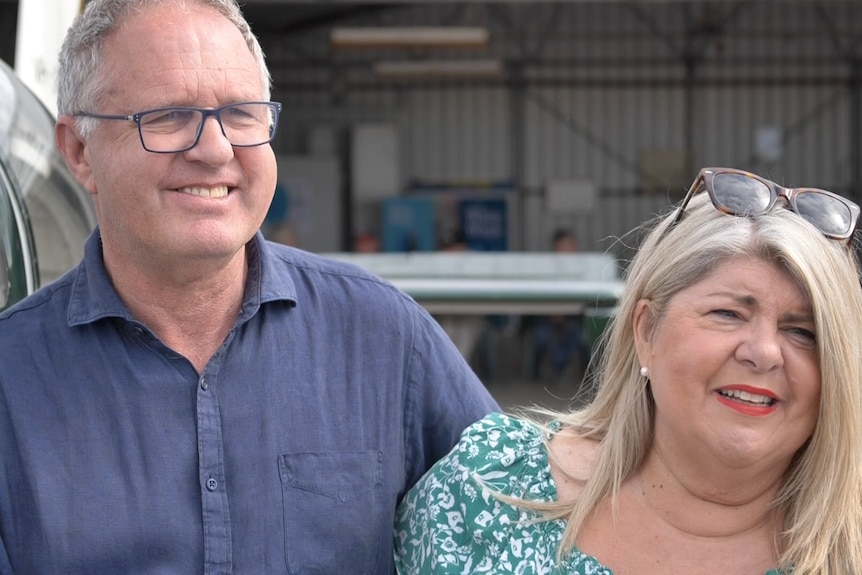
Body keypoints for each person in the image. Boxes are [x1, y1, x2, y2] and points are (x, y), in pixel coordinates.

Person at [0, 1, 499, 573]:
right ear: (80, 152)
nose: (214, 150)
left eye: (240, 114)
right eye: (167, 116)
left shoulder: (384, 339)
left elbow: (523, 523)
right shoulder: (10, 380)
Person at [395, 167, 862, 574]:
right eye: (728, 314)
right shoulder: (492, 490)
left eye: (803, 332)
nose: (764, 352)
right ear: (645, 332)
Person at [524, 228, 589, 382]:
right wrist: (552, 311)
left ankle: (564, 370)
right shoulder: (545, 269)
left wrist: (566, 313)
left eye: (569, 246)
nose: (566, 251)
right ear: (555, 248)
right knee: (542, 335)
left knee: (579, 336)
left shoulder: (584, 268)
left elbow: (589, 297)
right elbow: (536, 295)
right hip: (547, 318)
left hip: (575, 319)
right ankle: (551, 373)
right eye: (562, 247)